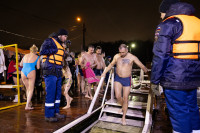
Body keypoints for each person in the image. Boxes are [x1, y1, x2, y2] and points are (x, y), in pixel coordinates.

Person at [151, 2, 200, 133]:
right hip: (194, 78)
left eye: (161, 13)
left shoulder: (168, 24)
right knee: (192, 109)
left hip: (174, 79)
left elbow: (160, 55)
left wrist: (155, 81)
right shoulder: (196, 22)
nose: (161, 16)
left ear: (166, 10)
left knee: (179, 113)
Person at [101, 44, 148, 125]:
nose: (121, 54)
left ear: (127, 50)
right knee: (118, 96)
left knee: (125, 98)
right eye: (120, 52)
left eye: (123, 52)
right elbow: (111, 64)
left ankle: (123, 117)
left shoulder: (132, 57)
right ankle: (123, 106)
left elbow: (142, 66)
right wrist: (104, 73)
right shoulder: (116, 56)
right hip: (118, 78)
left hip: (127, 79)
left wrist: (149, 74)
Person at [40, 29, 68, 122]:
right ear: (59, 35)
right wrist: (55, 49)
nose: (65, 38)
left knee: (57, 93)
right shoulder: (49, 41)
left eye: (66, 36)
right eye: (64, 36)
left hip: (58, 71)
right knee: (51, 93)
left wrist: (64, 49)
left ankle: (56, 112)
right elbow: (42, 51)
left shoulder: (61, 45)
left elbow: (61, 56)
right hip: (50, 70)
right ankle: (48, 115)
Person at [20, 45, 40, 110]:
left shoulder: (25, 55)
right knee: (31, 89)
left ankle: (29, 103)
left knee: (27, 88)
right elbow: (38, 67)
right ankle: (27, 106)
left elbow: (21, 64)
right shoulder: (37, 57)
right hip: (31, 71)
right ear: (36, 51)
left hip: (23, 71)